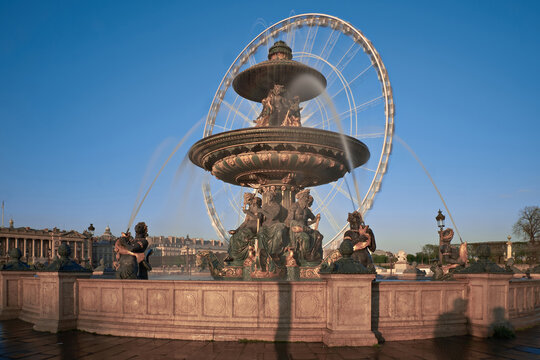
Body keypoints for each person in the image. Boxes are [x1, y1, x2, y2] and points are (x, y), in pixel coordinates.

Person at [286, 190, 323, 264]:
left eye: (307, 198)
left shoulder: (307, 210)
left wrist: (317, 218)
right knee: (305, 238)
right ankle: (304, 257)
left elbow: (312, 220)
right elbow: (290, 221)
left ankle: (312, 255)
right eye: (306, 197)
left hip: (306, 229)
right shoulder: (294, 206)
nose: (307, 199)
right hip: (296, 230)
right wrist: (298, 227)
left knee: (319, 236)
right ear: (301, 198)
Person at [226, 193, 262, 265]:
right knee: (233, 238)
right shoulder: (249, 210)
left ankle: (240, 258)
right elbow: (245, 222)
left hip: (253, 229)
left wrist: (248, 212)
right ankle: (233, 256)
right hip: (246, 229)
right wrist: (236, 230)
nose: (245, 201)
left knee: (243, 234)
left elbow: (258, 219)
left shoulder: (259, 209)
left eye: (247, 199)